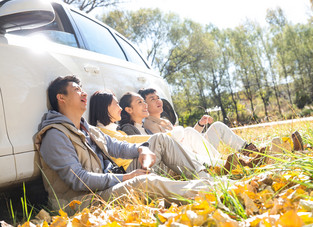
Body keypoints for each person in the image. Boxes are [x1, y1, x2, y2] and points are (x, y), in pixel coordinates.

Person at [34, 75, 219, 213]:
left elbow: (117, 146)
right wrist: (126, 178)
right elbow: (79, 180)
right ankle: (212, 192)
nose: (83, 93)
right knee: (143, 182)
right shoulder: (55, 135)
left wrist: (141, 149)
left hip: (110, 183)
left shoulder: (87, 129)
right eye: (76, 90)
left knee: (159, 140)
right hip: (84, 200)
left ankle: (207, 178)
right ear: (61, 98)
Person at [118, 91, 269, 171]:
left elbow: (189, 138)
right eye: (150, 100)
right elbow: (164, 146)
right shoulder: (148, 125)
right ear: (129, 109)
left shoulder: (160, 122)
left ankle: (249, 151)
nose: (158, 101)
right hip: (182, 156)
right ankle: (231, 163)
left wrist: (200, 124)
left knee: (216, 126)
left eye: (158, 98)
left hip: (192, 151)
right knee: (189, 131)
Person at [90, 90, 226, 168]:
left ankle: (220, 163)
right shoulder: (112, 131)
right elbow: (127, 140)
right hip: (137, 167)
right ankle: (218, 164)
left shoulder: (117, 130)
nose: (119, 108)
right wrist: (169, 136)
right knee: (168, 140)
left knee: (204, 130)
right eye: (116, 105)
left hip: (148, 160)